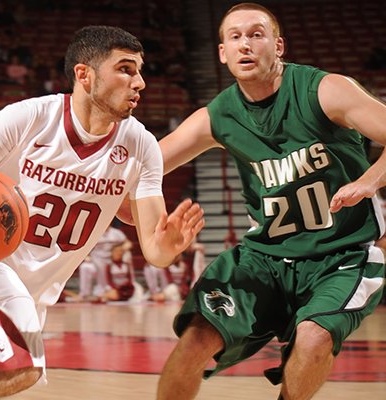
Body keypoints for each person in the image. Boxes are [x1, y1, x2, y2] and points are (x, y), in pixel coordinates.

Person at [0, 25, 204, 400]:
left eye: (139, 70)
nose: (140, 82)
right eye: (125, 69)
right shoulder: (29, 118)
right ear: (84, 75)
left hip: (34, 293)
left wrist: (169, 245)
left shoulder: (141, 146)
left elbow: (154, 250)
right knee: (21, 369)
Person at [154, 4, 386, 399]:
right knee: (193, 342)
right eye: (235, 37)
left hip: (342, 255)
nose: (246, 44)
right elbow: (144, 170)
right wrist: (146, 225)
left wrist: (368, 180)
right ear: (223, 53)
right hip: (263, 257)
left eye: (256, 34)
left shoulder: (325, 90)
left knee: (313, 338)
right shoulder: (219, 115)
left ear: (278, 45)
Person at [78, 220, 132, 300]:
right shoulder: (93, 233)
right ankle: (84, 294)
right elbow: (84, 247)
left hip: (112, 261)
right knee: (85, 267)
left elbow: (128, 243)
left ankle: (121, 290)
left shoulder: (116, 233)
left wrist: (123, 248)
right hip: (97, 260)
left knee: (128, 255)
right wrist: (87, 257)